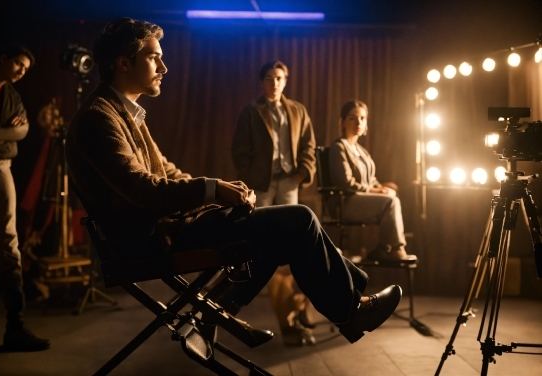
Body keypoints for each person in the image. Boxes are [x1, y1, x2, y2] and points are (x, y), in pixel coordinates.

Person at [65, 17, 402, 346]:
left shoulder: (123, 112)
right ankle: (351, 308)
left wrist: (224, 188)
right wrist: (213, 190)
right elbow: (141, 188)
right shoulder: (99, 117)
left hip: (166, 229)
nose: (163, 68)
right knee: (297, 219)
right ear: (124, 63)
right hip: (152, 240)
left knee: (282, 234)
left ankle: (219, 310)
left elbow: (167, 173)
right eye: (154, 58)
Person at [231, 60, 317, 346]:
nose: (274, 83)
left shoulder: (298, 110)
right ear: (262, 81)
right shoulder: (251, 111)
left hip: (289, 182)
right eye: (268, 78)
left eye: (279, 77)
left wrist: (301, 174)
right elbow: (240, 150)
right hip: (263, 186)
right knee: (267, 250)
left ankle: (297, 313)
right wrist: (250, 178)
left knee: (292, 248)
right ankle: (285, 319)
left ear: (286, 80)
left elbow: (308, 146)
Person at [0, 44, 50, 351]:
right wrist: (5, 131)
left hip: (1, 170)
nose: (21, 71)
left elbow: (22, 131)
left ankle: (15, 326)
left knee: (10, 248)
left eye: (25, 68)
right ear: (3, 58)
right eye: (18, 63)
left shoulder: (12, 96)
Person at [329, 100, 416, 262]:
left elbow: (372, 180)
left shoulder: (362, 151)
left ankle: (385, 248)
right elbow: (346, 183)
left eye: (362, 118)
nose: (358, 123)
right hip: (344, 202)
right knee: (390, 202)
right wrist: (377, 191)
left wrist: (382, 188)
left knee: (391, 197)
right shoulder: (339, 148)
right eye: (352, 118)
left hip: (359, 200)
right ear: (342, 122)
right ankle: (395, 248)